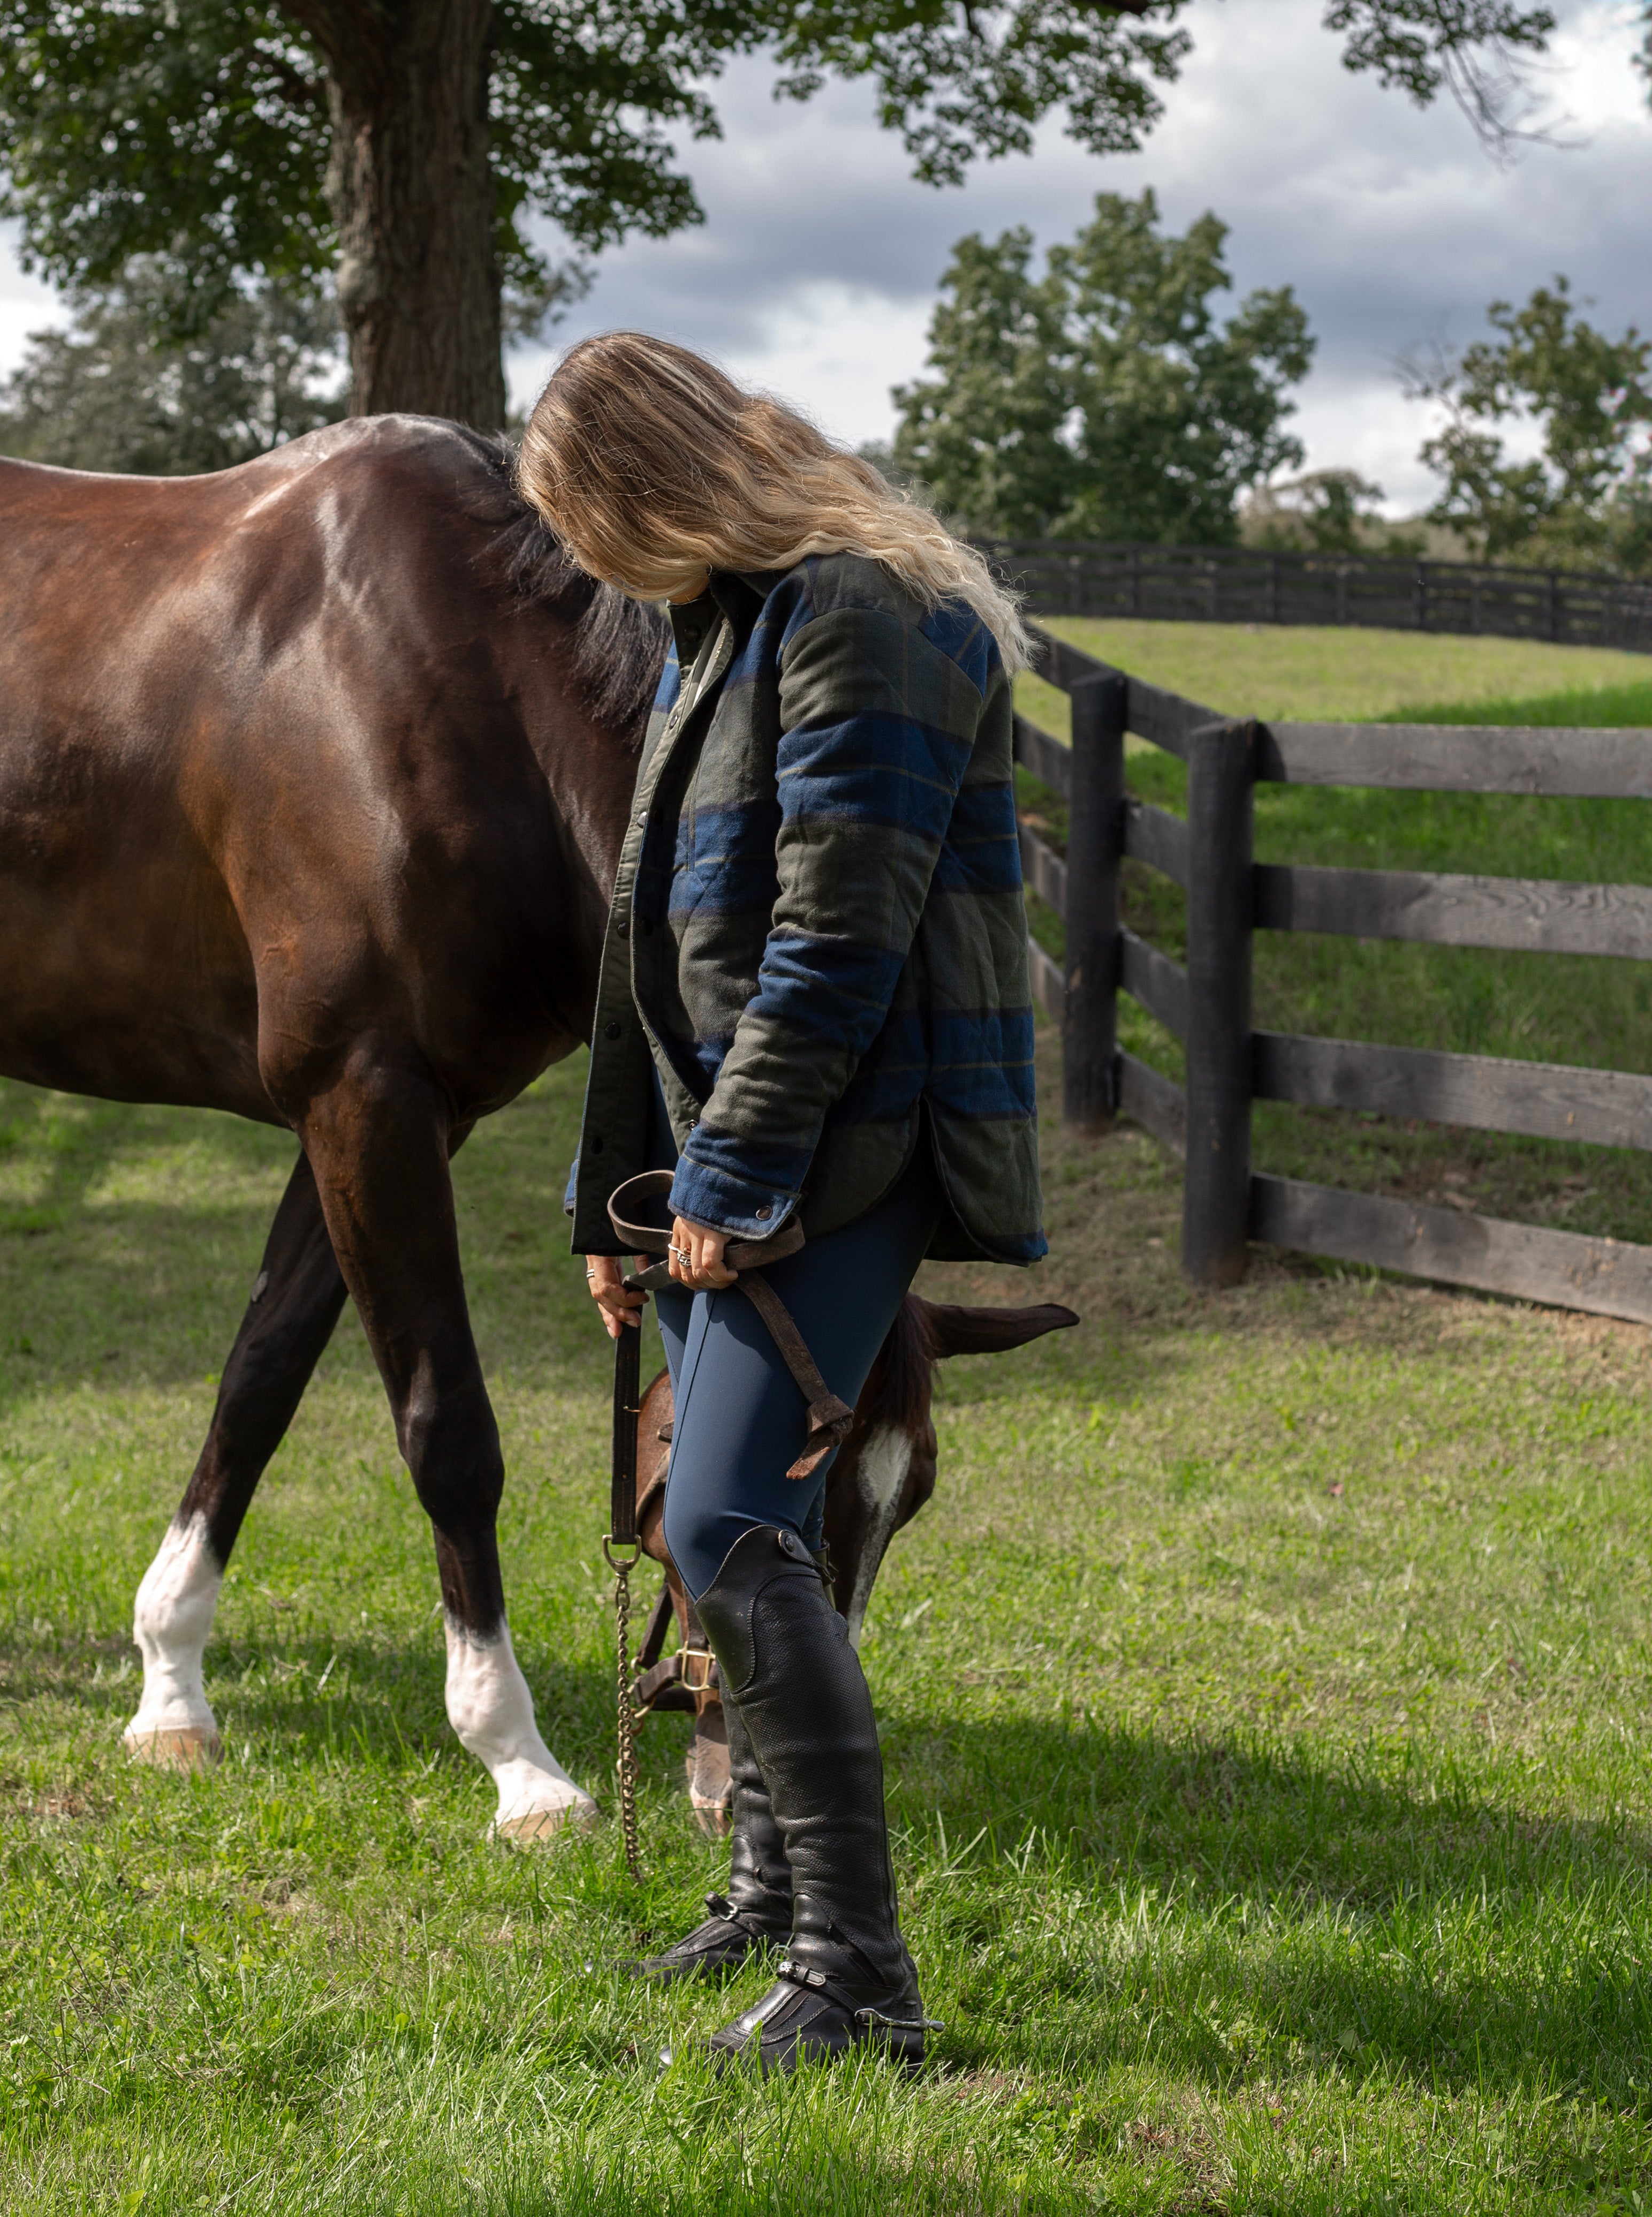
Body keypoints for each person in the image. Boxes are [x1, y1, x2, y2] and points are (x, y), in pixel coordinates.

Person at [519, 332, 1045, 2073]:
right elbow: (643, 946)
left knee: (730, 1524)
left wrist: (734, 1182)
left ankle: (859, 1979)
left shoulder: (861, 613)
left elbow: (836, 937)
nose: (585, 563)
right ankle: (765, 1899)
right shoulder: (724, 621)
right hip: (726, 1150)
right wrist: (621, 1202)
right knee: (711, 1517)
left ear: (646, 484)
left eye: (582, 521)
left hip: (838, 1149)